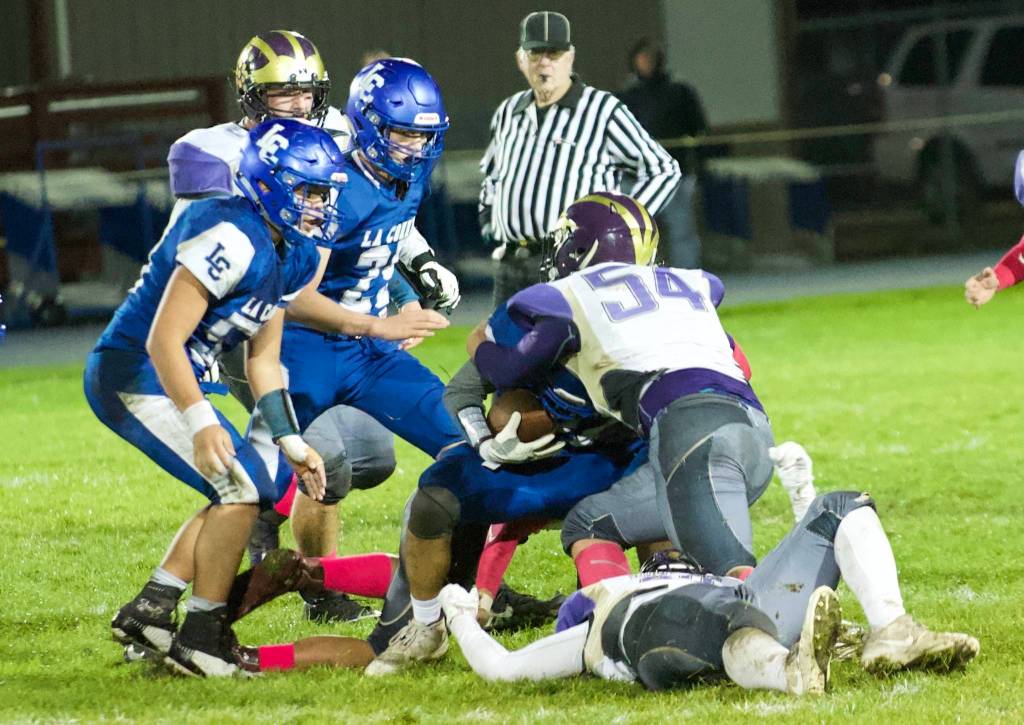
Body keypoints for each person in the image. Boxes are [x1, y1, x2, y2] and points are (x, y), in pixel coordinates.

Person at [363, 193, 781, 674]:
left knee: (656, 510)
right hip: (550, 459)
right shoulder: (556, 307)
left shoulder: (570, 300)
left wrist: (481, 345)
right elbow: (461, 393)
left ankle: (638, 619)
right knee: (435, 497)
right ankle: (427, 625)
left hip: (625, 450)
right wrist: (487, 441)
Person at [167, 30, 449, 623]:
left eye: (306, 92)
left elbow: (375, 235)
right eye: (281, 93)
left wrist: (408, 279)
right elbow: (220, 261)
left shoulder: (351, 145)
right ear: (249, 97)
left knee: (373, 458)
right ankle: (289, 587)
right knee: (322, 463)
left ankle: (270, 517)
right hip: (260, 333)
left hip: (343, 333)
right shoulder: (216, 150)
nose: (297, 104)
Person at [84, 119, 342, 676]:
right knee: (240, 488)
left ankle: (152, 608)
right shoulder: (231, 232)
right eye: (309, 190)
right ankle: (202, 634)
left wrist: (291, 439)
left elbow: (263, 359)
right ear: (270, 183)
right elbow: (162, 338)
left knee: (261, 479)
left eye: (326, 192)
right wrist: (203, 421)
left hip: (175, 373)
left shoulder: (289, 250)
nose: (320, 204)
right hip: (133, 370)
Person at [439, 491, 979, 692]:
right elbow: (504, 668)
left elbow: (793, 571)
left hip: (747, 611)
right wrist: (456, 611)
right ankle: (789, 673)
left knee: (843, 507)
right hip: (663, 631)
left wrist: (800, 490)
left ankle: (893, 631)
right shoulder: (602, 610)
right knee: (717, 612)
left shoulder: (706, 576)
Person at [480, 11, 681, 306]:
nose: (545, 61)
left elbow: (663, 169)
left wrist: (622, 225)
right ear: (521, 59)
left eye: (555, 53)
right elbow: (492, 174)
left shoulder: (601, 109)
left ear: (570, 57)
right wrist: (490, 221)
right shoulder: (508, 111)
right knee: (500, 351)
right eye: (536, 52)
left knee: (570, 350)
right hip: (510, 265)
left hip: (573, 264)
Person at [618, 37, 708, 268]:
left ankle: (687, 279)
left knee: (682, 231)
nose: (646, 62)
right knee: (635, 231)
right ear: (634, 62)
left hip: (673, 172)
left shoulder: (679, 91)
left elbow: (698, 127)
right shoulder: (627, 96)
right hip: (637, 176)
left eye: (651, 57)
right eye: (642, 58)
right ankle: (637, 278)